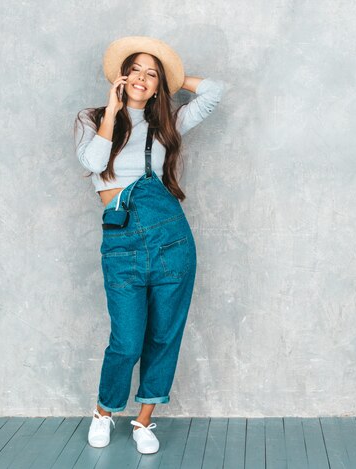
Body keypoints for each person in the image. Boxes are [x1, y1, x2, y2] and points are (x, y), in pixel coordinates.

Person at [73, 36, 225, 454]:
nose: (142, 77)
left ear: (160, 86)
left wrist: (175, 77)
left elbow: (214, 93)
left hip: (170, 239)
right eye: (135, 69)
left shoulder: (167, 124)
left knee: (163, 335)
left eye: (151, 73)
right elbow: (92, 162)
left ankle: (144, 421)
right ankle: (104, 412)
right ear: (122, 75)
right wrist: (114, 108)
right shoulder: (92, 118)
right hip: (121, 243)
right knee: (126, 339)